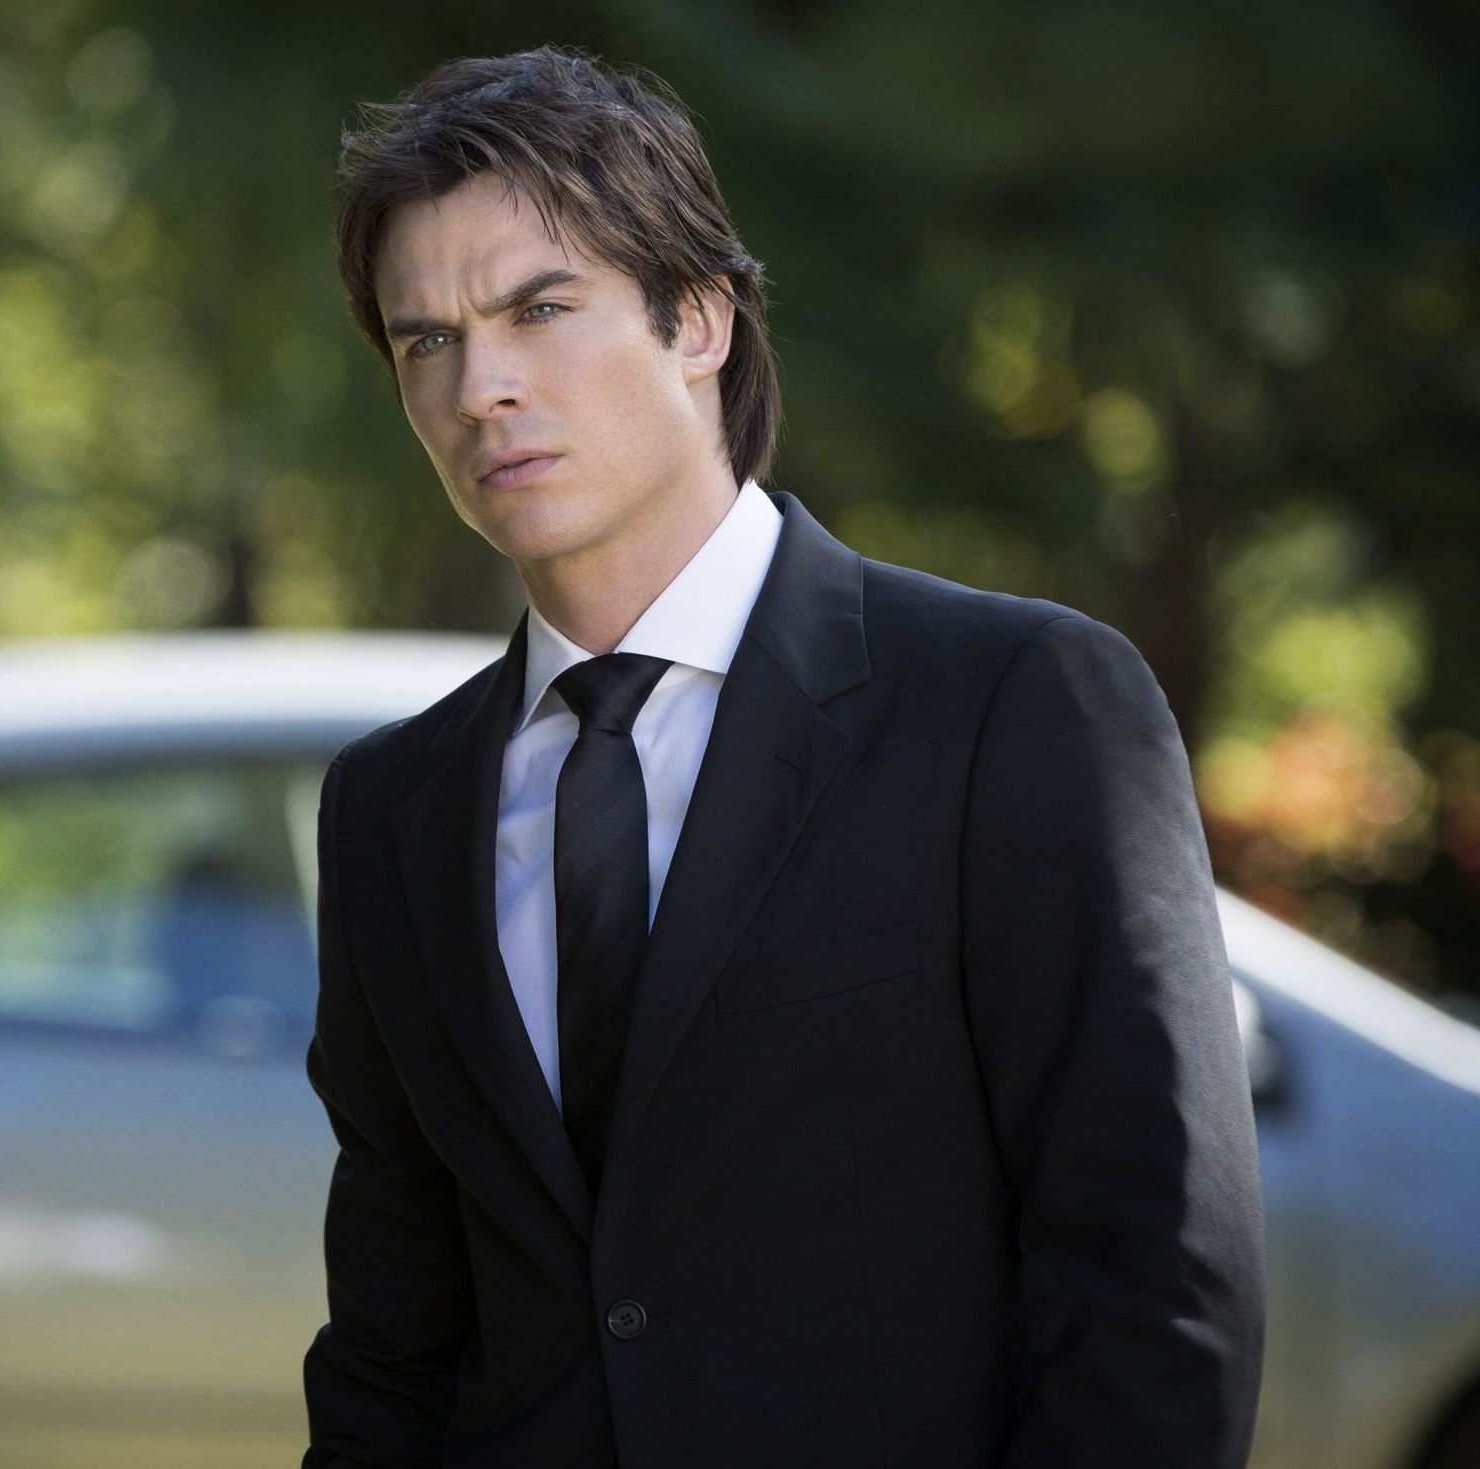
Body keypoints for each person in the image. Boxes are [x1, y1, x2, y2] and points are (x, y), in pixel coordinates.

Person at [302, 44, 1265, 1469]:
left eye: (538, 308)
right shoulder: (391, 808)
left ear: (699, 319)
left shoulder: (1015, 707)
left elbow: (1153, 1287)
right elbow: (392, 1345)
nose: (480, 386)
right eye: (425, 341)